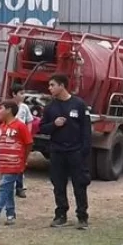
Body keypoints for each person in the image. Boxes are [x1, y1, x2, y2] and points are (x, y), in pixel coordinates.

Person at [39, 74, 92, 230]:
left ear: (62, 85)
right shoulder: (50, 107)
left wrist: (84, 151)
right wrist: (54, 124)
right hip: (57, 151)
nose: (50, 88)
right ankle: (61, 214)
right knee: (58, 184)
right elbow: (42, 128)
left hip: (75, 152)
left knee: (79, 184)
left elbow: (86, 130)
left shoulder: (79, 104)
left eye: (52, 85)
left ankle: (82, 216)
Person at [0, 100, 33, 226]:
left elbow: (28, 143)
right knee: (8, 189)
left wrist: (24, 160)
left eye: (1, 109)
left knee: (3, 188)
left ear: (9, 110)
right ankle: (10, 214)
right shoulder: (2, 127)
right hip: (3, 164)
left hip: (14, 164)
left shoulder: (20, 126)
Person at [11, 84, 34, 198]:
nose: (23, 95)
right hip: (10, 138)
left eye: (23, 93)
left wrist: (27, 133)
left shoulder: (25, 107)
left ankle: (19, 187)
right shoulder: (8, 106)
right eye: (20, 93)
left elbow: (29, 121)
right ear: (14, 94)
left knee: (20, 163)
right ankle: (9, 185)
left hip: (21, 139)